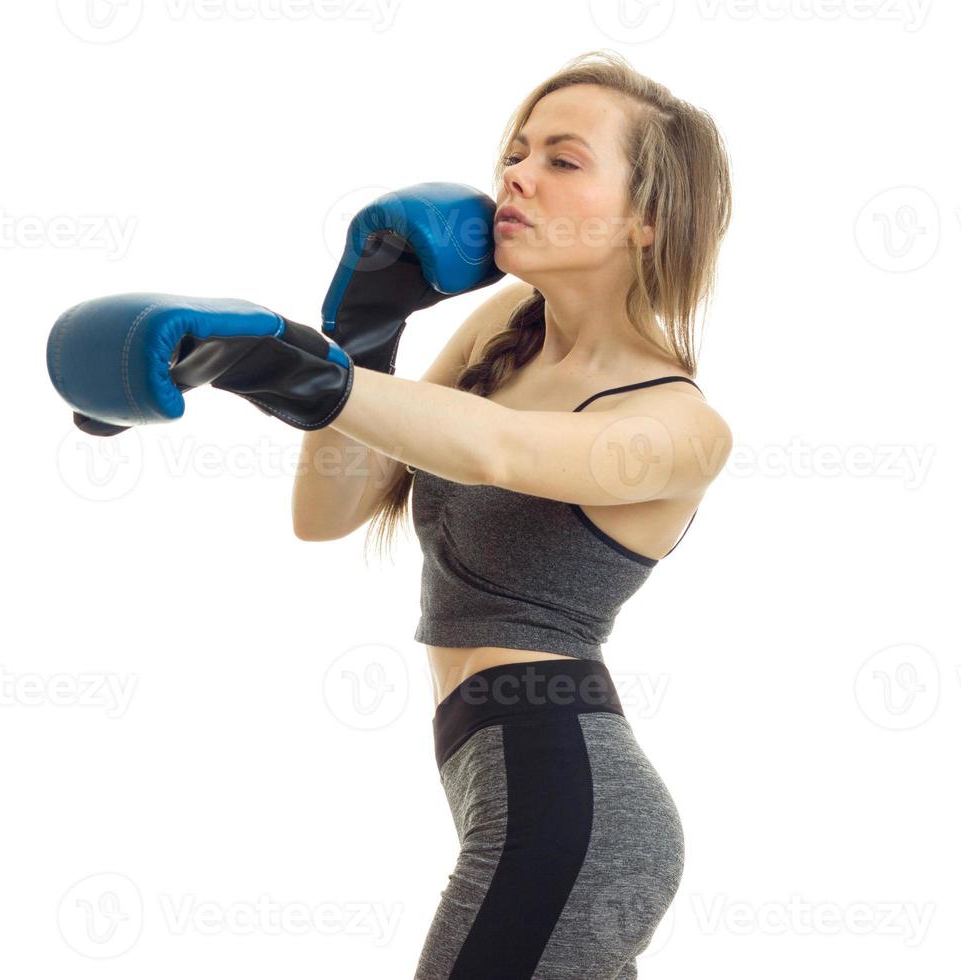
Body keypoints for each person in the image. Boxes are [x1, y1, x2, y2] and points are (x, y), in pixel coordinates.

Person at [293, 50, 734, 979]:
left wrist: (298, 375)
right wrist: (361, 345)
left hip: (570, 806)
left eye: (562, 161)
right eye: (517, 151)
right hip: (502, 785)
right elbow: (327, 511)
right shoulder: (500, 332)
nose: (516, 176)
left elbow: (501, 451)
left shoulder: (680, 424)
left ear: (650, 220)